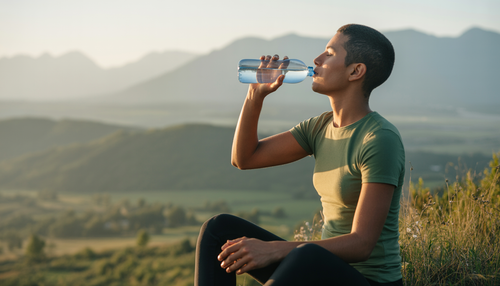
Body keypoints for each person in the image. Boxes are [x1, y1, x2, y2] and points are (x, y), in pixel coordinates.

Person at [195, 24, 405, 286]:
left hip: (368, 281)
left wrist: (273, 249)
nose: (317, 60)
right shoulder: (319, 127)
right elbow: (244, 159)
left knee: (305, 255)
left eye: (329, 53)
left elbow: (362, 244)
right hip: (320, 268)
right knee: (219, 230)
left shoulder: (379, 138)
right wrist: (255, 95)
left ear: (355, 71)